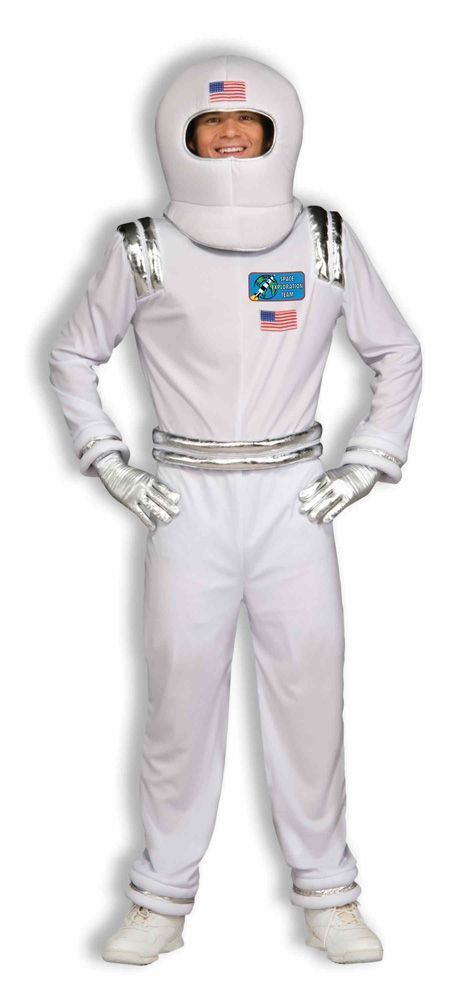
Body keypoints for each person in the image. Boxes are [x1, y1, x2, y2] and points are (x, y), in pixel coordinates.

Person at [49, 54, 422, 966]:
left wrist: (366, 463)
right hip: (187, 502)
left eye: (245, 123)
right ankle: (160, 900)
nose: (227, 135)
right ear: (178, 133)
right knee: (179, 700)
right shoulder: (141, 246)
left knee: (309, 693)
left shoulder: (324, 239)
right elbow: (73, 355)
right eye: (211, 122)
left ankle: (329, 895)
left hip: (295, 501)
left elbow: (397, 352)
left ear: (276, 133)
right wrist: (112, 466)